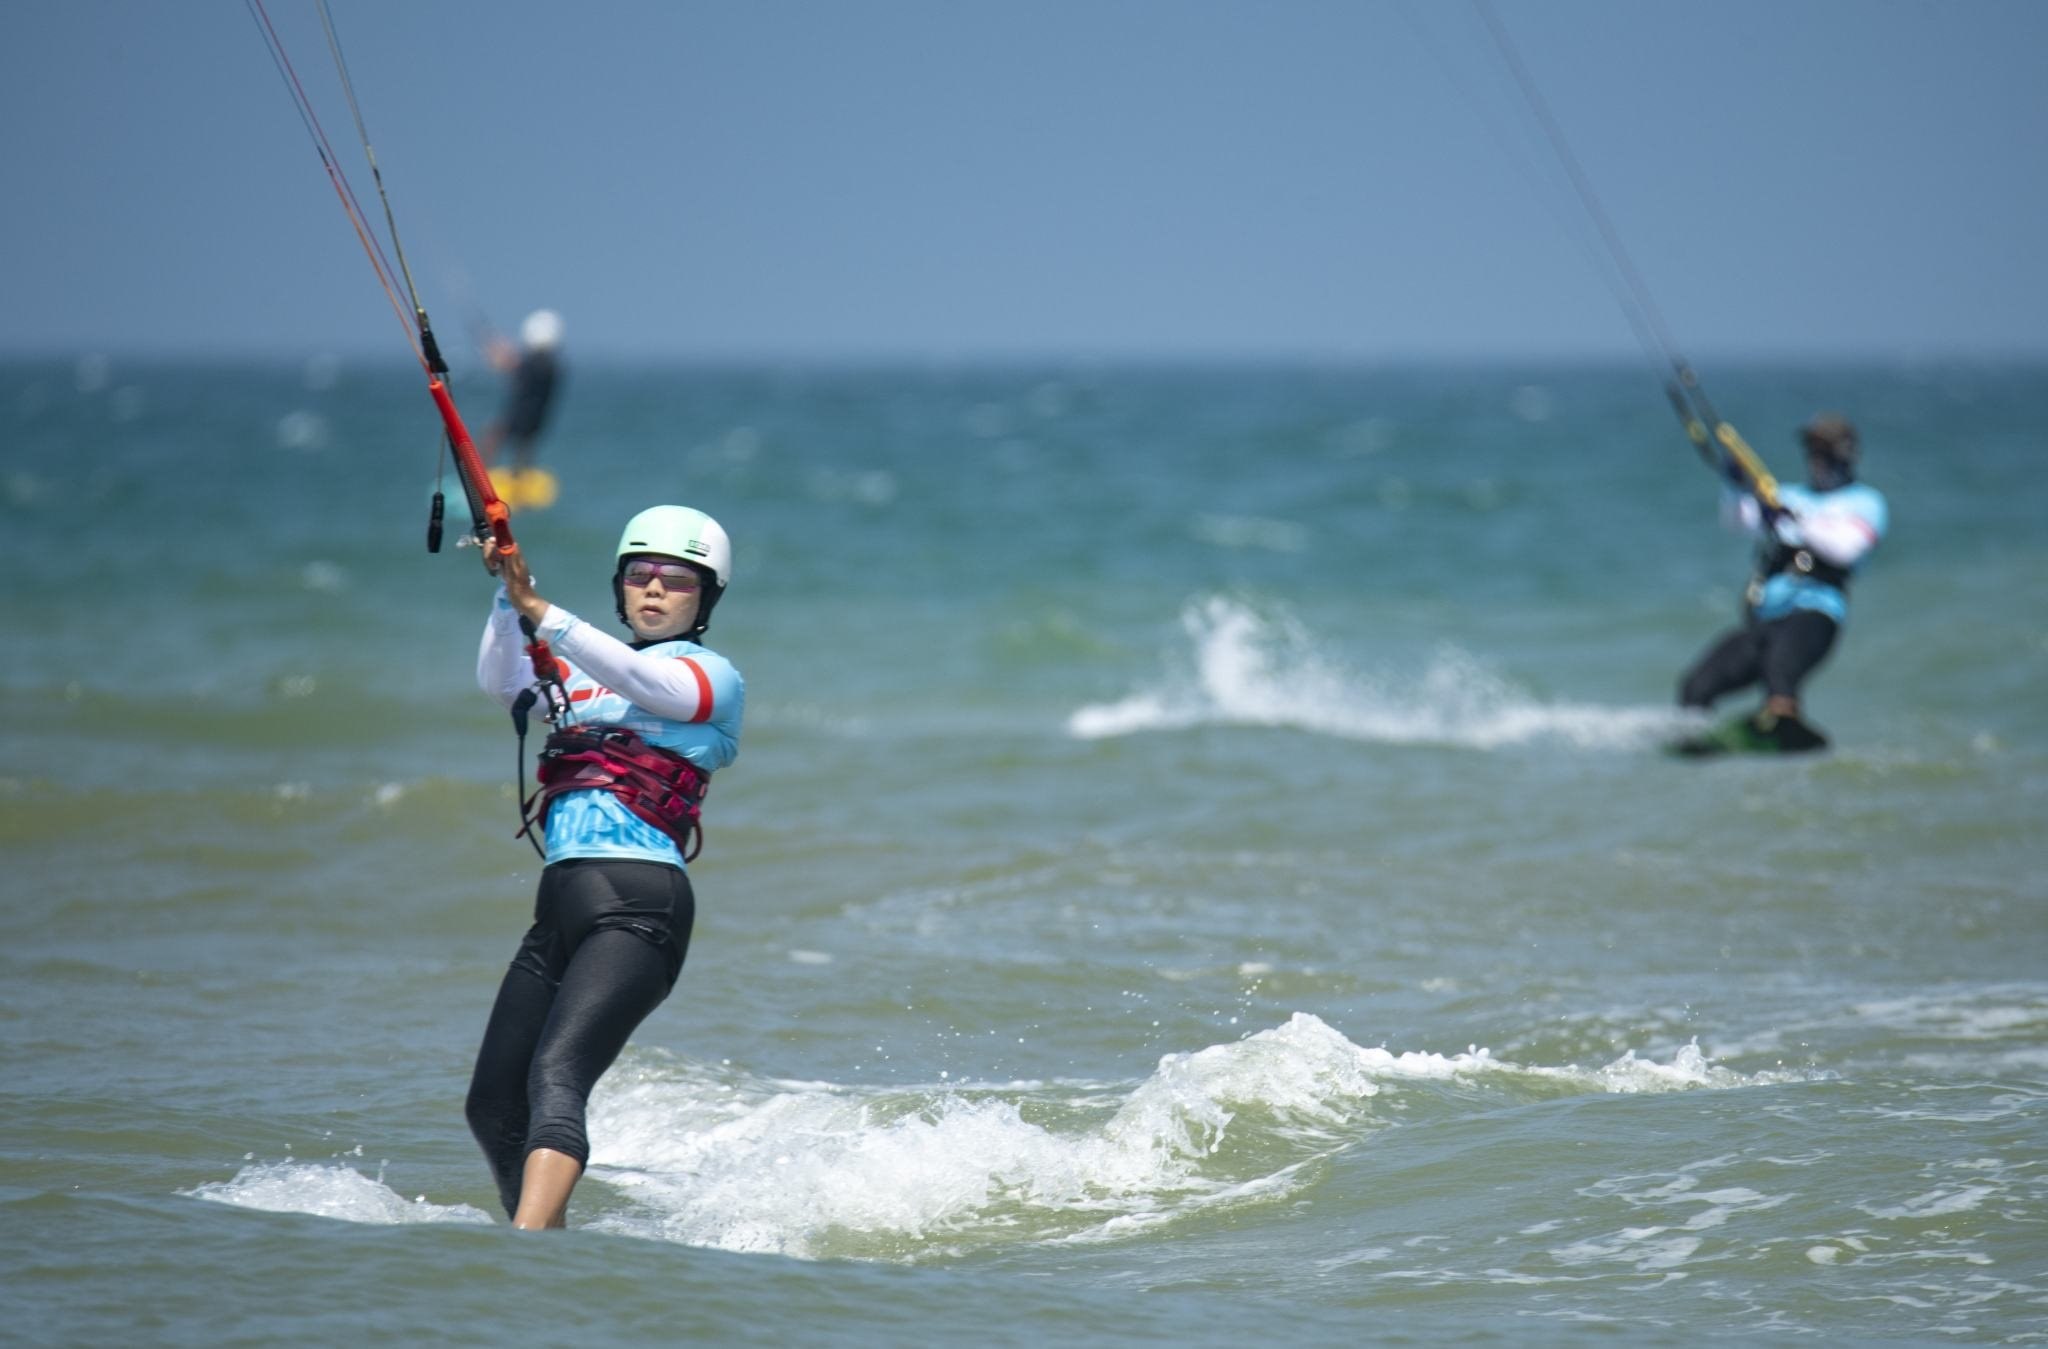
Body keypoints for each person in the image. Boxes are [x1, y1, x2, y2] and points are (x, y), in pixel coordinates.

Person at [466, 505, 744, 1228]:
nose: (654, 589)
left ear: (706, 598)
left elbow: (651, 686)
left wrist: (543, 612)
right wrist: (507, 596)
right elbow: (504, 684)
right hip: (558, 910)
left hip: (639, 908)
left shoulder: (710, 678)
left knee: (556, 1076)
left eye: (676, 579)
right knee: (492, 1101)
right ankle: (549, 1247)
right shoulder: (584, 681)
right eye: (639, 574)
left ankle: (526, 1249)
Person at [1676, 414, 1888, 742]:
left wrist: (1792, 518)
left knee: (1780, 666)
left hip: (1816, 613)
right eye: (1812, 453)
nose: (1816, 461)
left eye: (1824, 453)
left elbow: (1846, 548)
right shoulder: (1788, 494)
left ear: (1844, 456)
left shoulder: (1864, 502)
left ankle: (1782, 719)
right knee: (1696, 684)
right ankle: (1694, 737)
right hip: (1765, 618)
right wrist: (1735, 487)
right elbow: (1738, 521)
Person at [482, 308, 565, 471]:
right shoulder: (551, 365)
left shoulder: (537, 363)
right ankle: (519, 475)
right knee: (523, 448)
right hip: (537, 417)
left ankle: (479, 474)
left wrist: (497, 352)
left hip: (522, 414)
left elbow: (512, 365)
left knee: (493, 436)